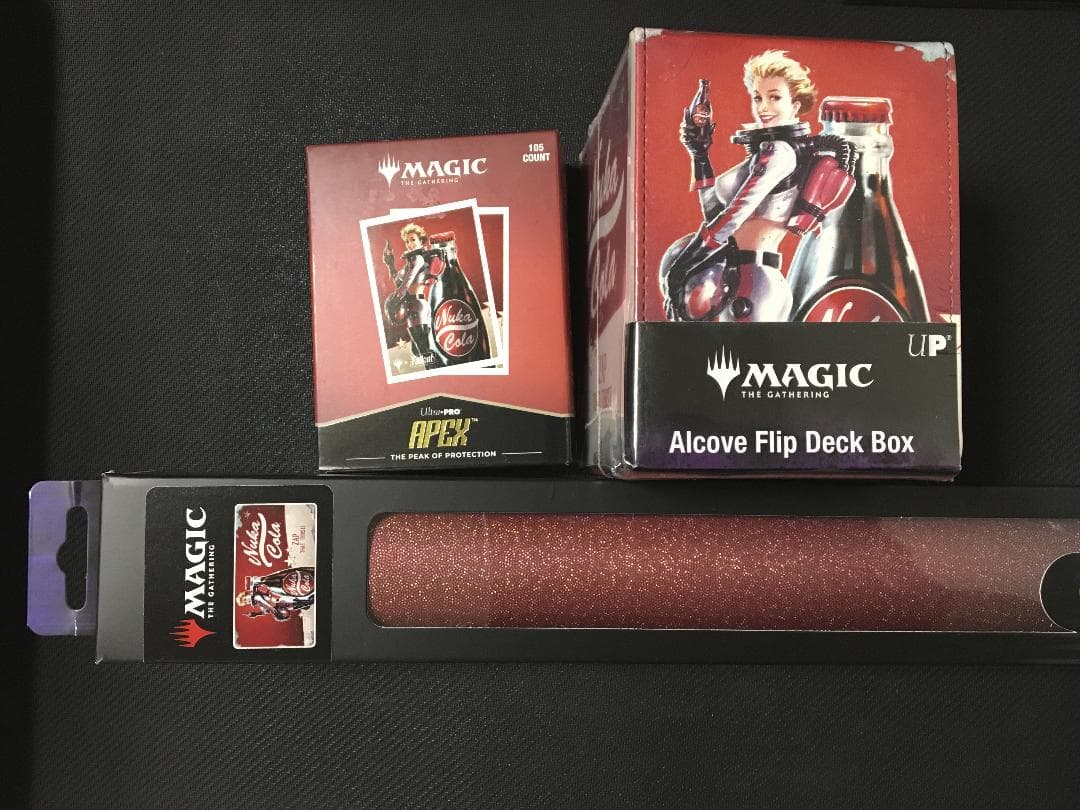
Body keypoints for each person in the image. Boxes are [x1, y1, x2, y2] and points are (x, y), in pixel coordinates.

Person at [660, 50, 856, 322]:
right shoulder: (773, 152)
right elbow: (715, 214)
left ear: (795, 105)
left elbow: (734, 216)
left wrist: (682, 265)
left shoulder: (780, 153)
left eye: (774, 97)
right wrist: (700, 155)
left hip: (752, 285)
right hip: (742, 278)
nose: (763, 107)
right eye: (758, 97)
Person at [382, 223, 445, 368]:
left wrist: (397, 297)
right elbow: (398, 281)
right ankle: (435, 369)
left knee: (424, 349)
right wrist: (390, 264)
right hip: (411, 307)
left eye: (413, 240)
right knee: (419, 350)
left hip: (418, 305)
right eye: (407, 241)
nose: (409, 244)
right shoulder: (410, 261)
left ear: (420, 240)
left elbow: (407, 282)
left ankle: (435, 371)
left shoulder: (418, 259)